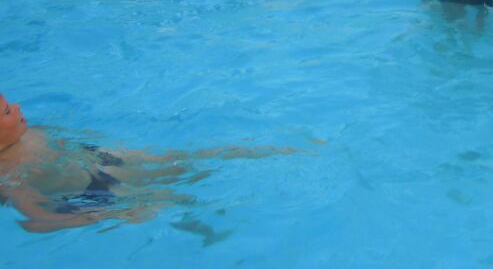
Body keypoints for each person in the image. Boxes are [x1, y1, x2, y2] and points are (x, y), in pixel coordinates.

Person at [0, 93, 291, 233]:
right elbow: (37, 221)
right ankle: (214, 234)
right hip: (96, 191)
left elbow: (66, 141)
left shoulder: (28, 132)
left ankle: (275, 151)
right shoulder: (8, 171)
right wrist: (110, 214)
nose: (17, 106)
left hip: (103, 159)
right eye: (6, 111)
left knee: (191, 161)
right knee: (171, 199)